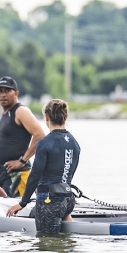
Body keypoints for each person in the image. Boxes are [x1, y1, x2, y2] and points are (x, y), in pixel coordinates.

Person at [7, 99, 80, 234]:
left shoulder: (44, 143)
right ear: (66, 116)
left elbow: (35, 175)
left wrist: (22, 203)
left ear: (46, 117)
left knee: (46, 245)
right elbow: (69, 172)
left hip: (49, 203)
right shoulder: (74, 142)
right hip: (68, 201)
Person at [0, 76, 45, 198]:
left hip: (18, 175)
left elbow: (40, 136)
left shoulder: (21, 111)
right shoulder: (5, 113)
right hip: (3, 174)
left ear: (16, 93)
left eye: (7, 91)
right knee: (2, 213)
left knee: (14, 212)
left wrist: (22, 161)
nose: (3, 94)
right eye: (0, 91)